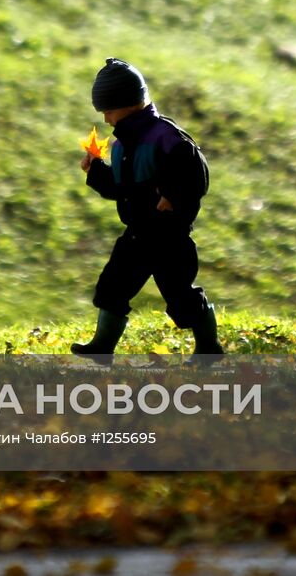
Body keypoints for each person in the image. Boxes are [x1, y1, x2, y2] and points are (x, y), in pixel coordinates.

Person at [70, 58, 224, 362]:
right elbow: (120, 190)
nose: (106, 118)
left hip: (169, 235)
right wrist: (97, 173)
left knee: (181, 297)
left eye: (109, 111)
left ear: (129, 104)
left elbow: (196, 176)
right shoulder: (121, 146)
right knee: (113, 287)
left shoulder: (167, 137)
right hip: (137, 234)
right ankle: (102, 347)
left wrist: (175, 197)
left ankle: (209, 348)